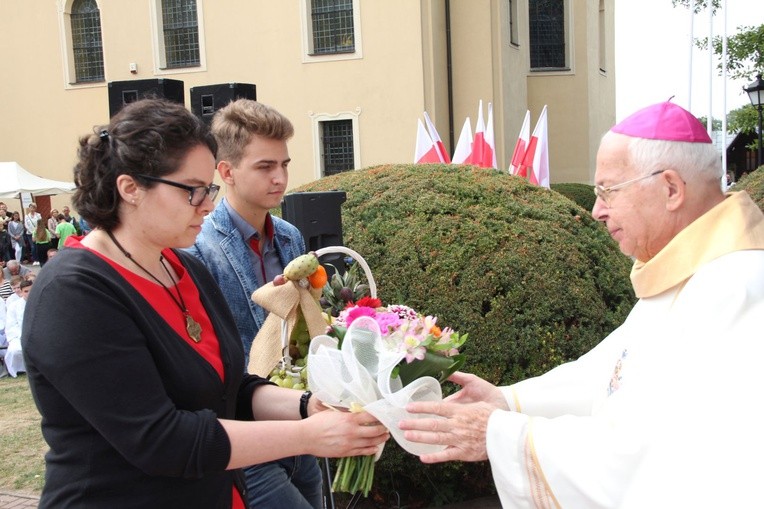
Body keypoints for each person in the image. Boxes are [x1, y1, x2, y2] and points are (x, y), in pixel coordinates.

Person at [21, 98, 388, 508]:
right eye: (193, 191)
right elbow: (162, 441)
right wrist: (309, 435)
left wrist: (308, 406)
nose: (209, 204)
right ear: (131, 189)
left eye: (208, 189)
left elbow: (231, 389)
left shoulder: (182, 267)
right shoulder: (74, 294)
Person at [399, 102, 764, 508]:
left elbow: (655, 456)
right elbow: (608, 376)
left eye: (608, 191)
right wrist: (509, 401)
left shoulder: (738, 289)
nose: (597, 211)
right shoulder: (688, 272)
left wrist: (500, 433)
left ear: (671, 189)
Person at [186, 99, 322, 508]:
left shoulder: (290, 236)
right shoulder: (198, 248)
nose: (279, 178)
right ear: (226, 172)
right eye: (265, 166)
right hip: (246, 435)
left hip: (300, 419)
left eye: (284, 164)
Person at [5, 278, 31, 377]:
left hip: (39, 335)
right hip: (19, 335)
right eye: (26, 291)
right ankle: (19, 370)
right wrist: (23, 335)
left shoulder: (41, 302)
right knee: (15, 350)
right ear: (21, 291)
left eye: (30, 290)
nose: (28, 293)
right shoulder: (14, 306)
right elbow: (11, 325)